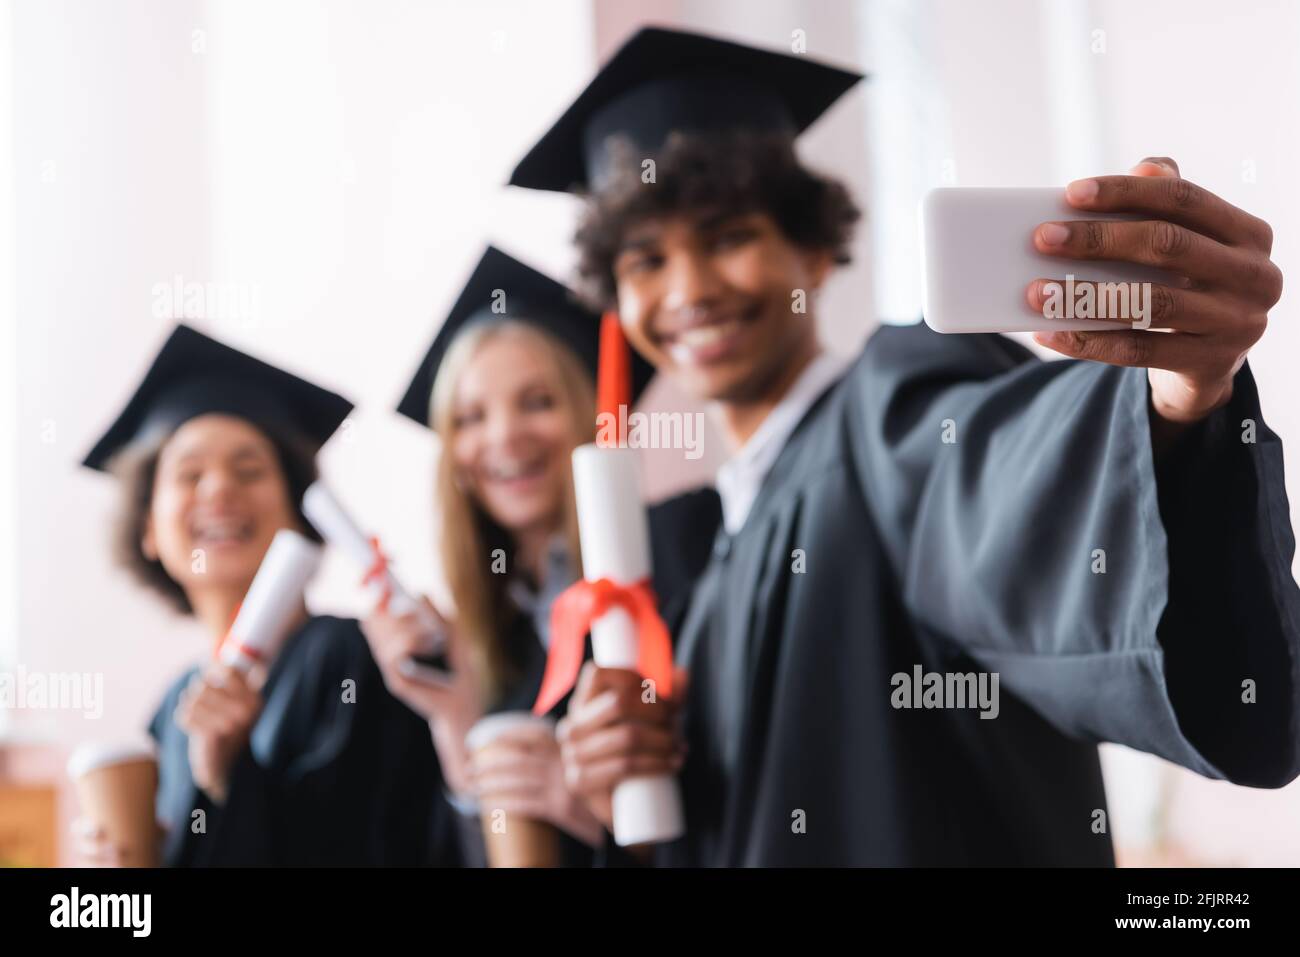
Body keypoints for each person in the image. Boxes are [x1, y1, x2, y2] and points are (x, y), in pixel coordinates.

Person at [509, 27, 1299, 865]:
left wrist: (1175, 397)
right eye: (646, 261)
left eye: (729, 237)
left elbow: (1003, 482)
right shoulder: (706, 575)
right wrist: (620, 784)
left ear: (813, 248)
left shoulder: (892, 405)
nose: (690, 290)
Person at [361, 247, 717, 864]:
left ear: (592, 416)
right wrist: (459, 725)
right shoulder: (487, 632)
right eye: (470, 417)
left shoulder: (682, 549)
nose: (503, 437)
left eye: (538, 403)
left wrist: (592, 803)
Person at [76, 324, 459, 866]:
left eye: (250, 470)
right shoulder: (173, 706)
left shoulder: (351, 657)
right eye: (189, 474)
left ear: (298, 511)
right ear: (149, 532)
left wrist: (233, 776)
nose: (219, 490)